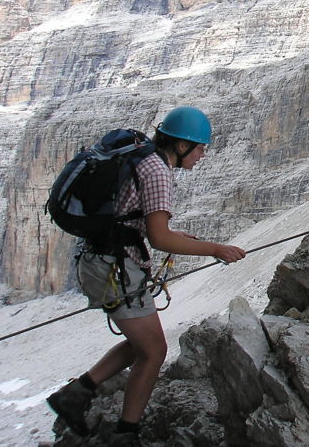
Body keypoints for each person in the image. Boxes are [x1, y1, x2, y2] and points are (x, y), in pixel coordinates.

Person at [46, 106, 246, 445]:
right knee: (154, 351)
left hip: (103, 261)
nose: (202, 155)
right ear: (181, 145)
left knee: (143, 345)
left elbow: (134, 220)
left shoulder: (144, 158)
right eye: (199, 148)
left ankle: (76, 395)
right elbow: (158, 237)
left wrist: (178, 236)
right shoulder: (157, 170)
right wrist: (216, 249)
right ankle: (125, 433)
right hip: (115, 267)